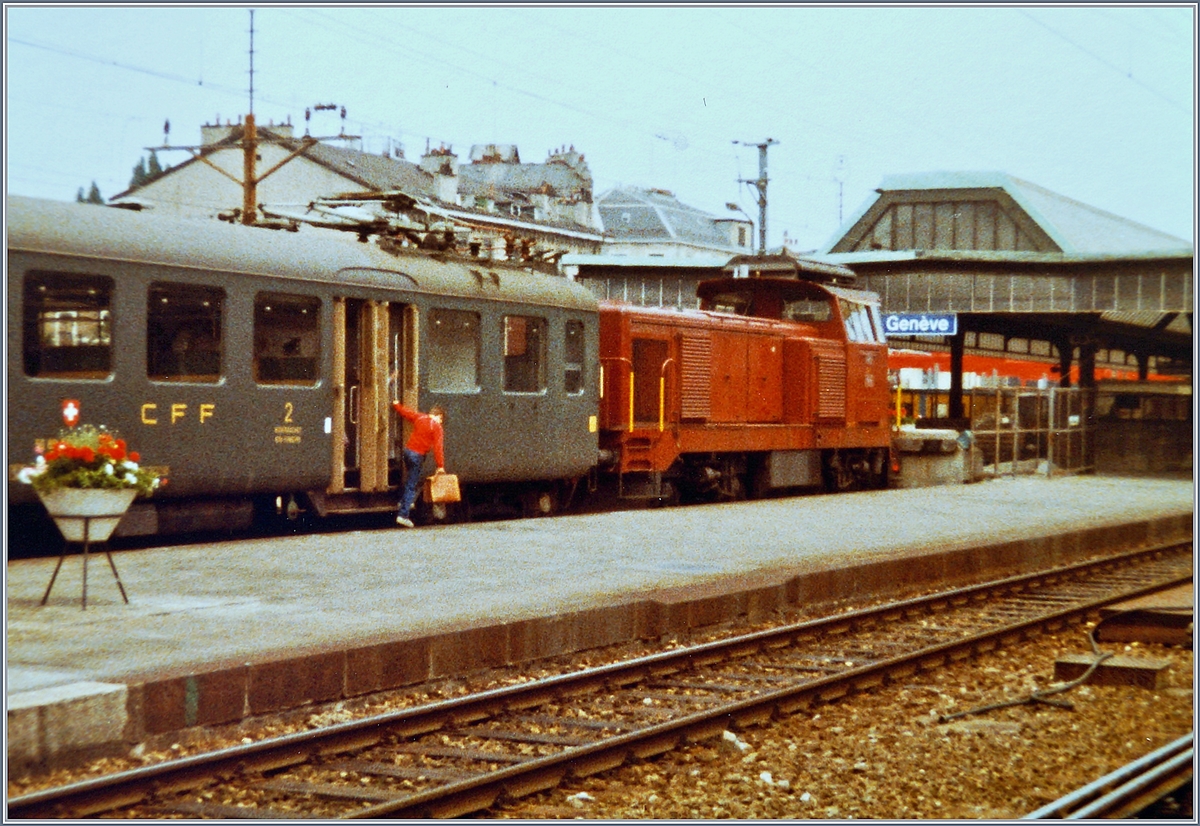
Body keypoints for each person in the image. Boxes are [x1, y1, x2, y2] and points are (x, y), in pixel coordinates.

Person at [392, 401, 446, 528]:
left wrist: (396, 405)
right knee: (412, 483)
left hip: (407, 452)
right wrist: (440, 466)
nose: (441, 422)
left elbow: (407, 413)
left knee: (409, 479)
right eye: (442, 419)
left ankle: (404, 501)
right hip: (417, 455)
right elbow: (438, 448)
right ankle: (403, 515)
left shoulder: (420, 417)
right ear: (439, 416)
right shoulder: (436, 427)